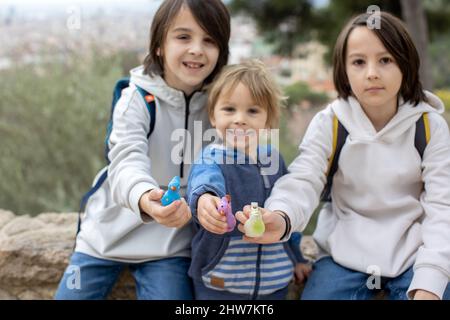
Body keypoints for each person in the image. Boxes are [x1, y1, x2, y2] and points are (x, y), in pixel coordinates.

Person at [235, 12, 450, 300]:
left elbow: (442, 205)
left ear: (405, 63)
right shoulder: (331, 122)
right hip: (342, 257)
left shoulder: (429, 125)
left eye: (385, 60)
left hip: (413, 254)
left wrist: (431, 278)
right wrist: (281, 215)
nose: (372, 72)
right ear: (344, 70)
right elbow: (304, 177)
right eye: (359, 62)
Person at [55, 0, 230, 300]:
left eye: (209, 40)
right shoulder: (136, 99)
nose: (197, 49)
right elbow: (125, 163)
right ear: (159, 45)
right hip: (104, 238)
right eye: (183, 37)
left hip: (170, 246)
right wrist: (146, 199)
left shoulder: (222, 107)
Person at [187, 60, 312, 300]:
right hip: (219, 281)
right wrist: (206, 200)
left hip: (274, 281)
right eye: (229, 109)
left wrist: (297, 258)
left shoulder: (273, 159)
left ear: (268, 121)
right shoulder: (211, 157)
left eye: (252, 111)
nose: (240, 119)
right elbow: (205, 181)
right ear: (213, 116)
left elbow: (289, 209)